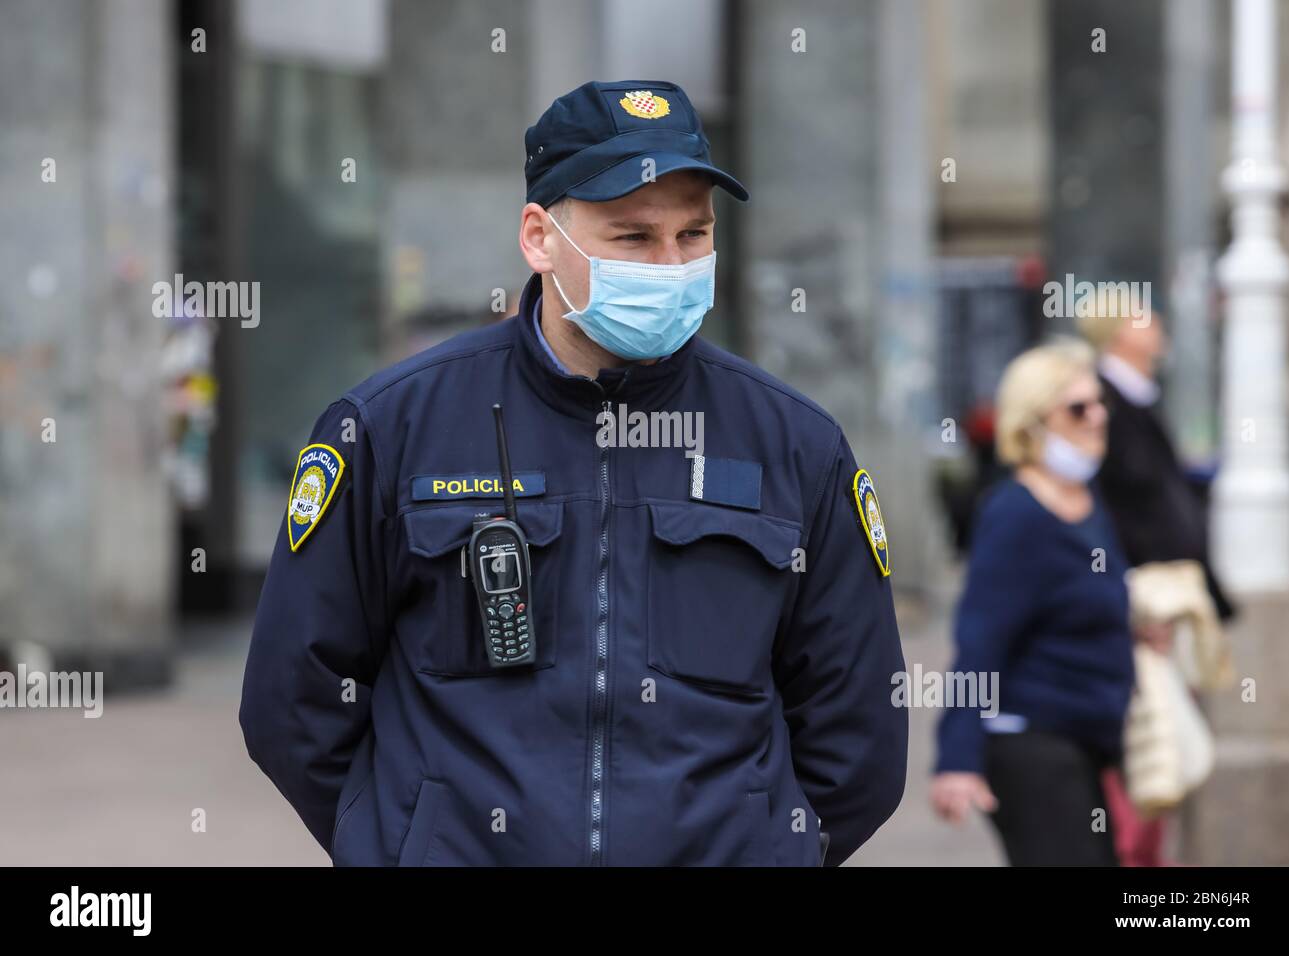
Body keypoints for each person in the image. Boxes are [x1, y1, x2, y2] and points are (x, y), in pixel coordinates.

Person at [239, 80, 907, 867]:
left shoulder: (796, 445)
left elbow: (857, 727)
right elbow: (294, 698)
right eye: (633, 238)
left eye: (694, 235)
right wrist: (405, 844)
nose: (672, 265)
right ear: (539, 237)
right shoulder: (392, 428)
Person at [930, 339, 1137, 866]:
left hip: (1088, 741)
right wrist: (957, 758)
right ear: (1032, 421)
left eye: (1099, 404)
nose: (1096, 417)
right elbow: (979, 639)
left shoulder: (1087, 500)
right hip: (1031, 746)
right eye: (1077, 407)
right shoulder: (1015, 514)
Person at [1078, 305, 1234, 622]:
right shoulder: (1104, 401)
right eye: (1142, 318)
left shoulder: (1138, 398)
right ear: (1119, 330)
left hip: (1168, 583)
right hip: (1144, 590)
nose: (1156, 324)